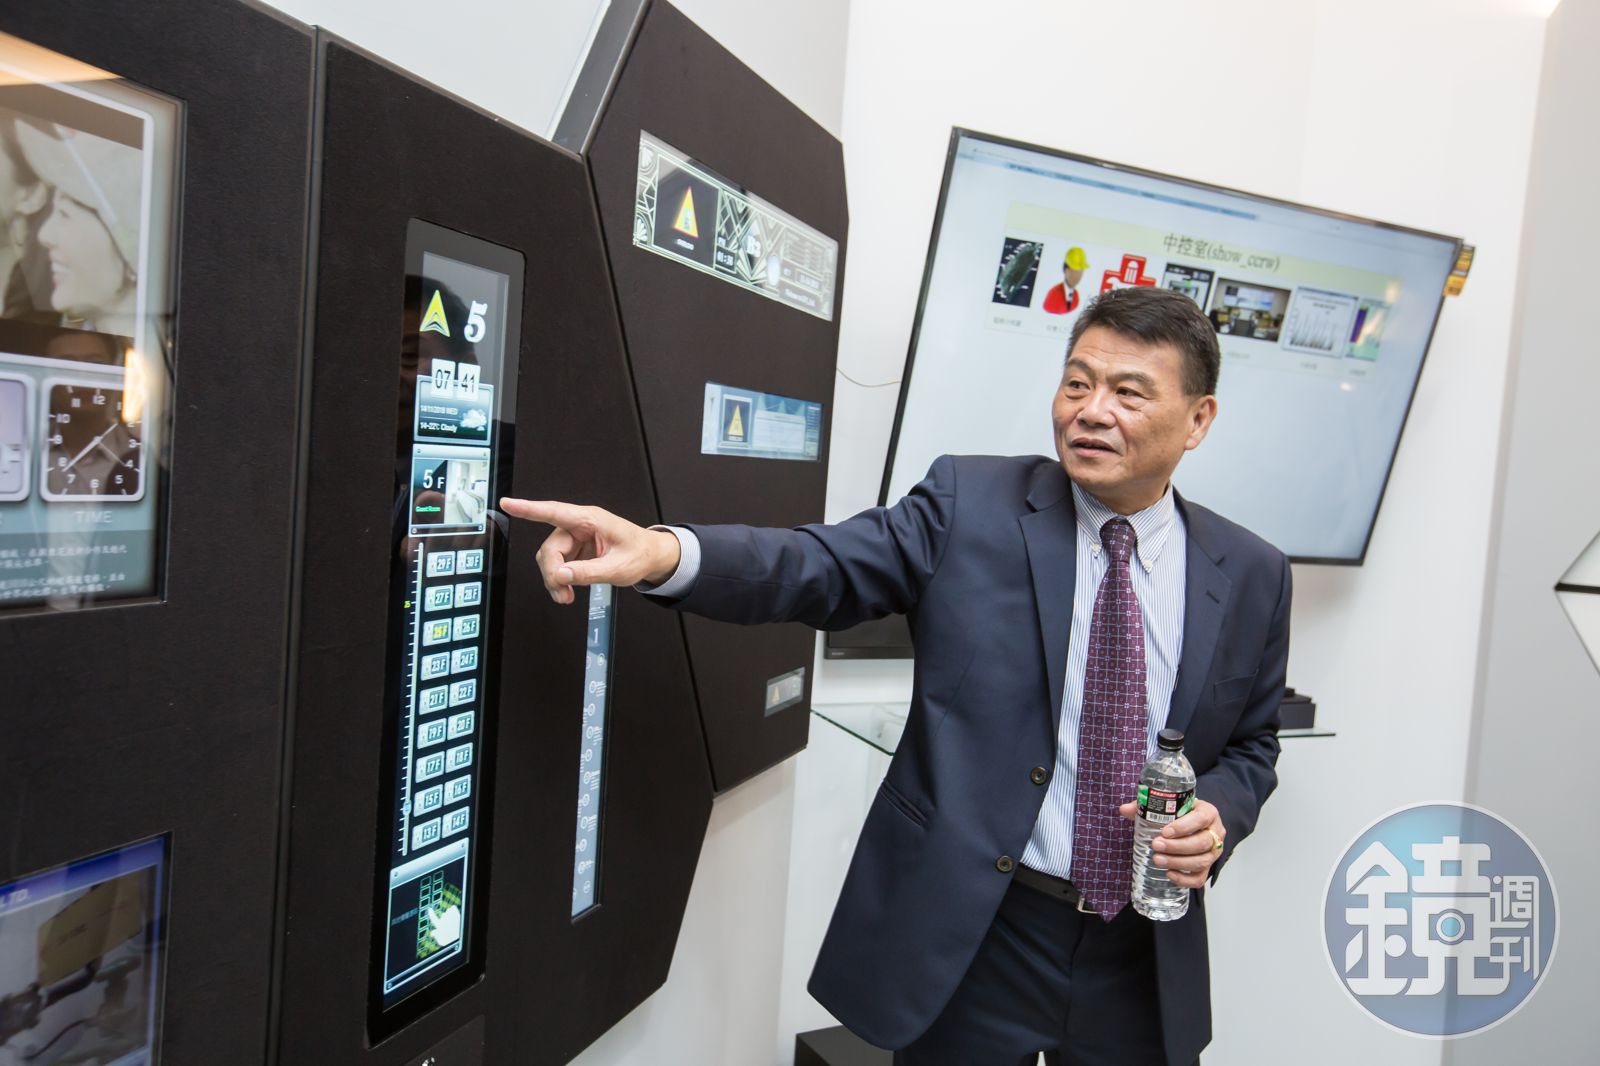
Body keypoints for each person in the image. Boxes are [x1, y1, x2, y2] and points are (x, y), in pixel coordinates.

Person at [502, 286, 1290, 1065]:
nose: (1091, 411)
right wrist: (663, 553)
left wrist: (1217, 813)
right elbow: (816, 565)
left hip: (1143, 953)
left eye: (1129, 393)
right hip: (979, 937)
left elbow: (1253, 746)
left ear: (1198, 419)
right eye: (1078, 383)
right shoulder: (971, 505)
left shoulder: (1252, 573)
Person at [1042, 245, 1088, 315]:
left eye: (1081, 270)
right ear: (1066, 270)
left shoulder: (1076, 295)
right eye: (1075, 270)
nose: (1078, 275)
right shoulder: (1054, 294)